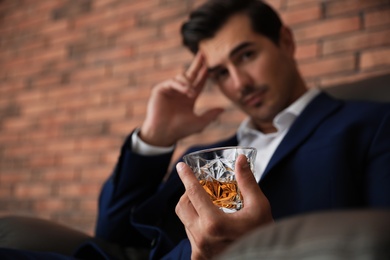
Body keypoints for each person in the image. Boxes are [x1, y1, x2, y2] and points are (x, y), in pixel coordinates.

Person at [0, 0, 389, 259]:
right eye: (220, 73)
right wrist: (154, 138)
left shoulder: (368, 125)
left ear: (285, 41)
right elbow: (114, 234)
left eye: (247, 55)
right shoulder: (203, 156)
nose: (239, 83)